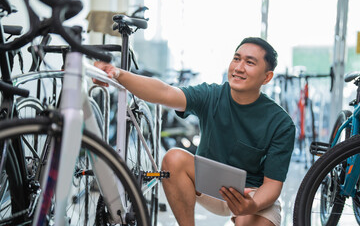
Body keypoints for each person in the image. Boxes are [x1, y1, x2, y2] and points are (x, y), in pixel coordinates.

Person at [93, 37, 295, 226]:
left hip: (250, 194)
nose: (239, 68)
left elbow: (272, 185)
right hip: (209, 185)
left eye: (250, 63)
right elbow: (165, 92)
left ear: (267, 77)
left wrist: (252, 205)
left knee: (250, 220)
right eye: (236, 59)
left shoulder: (281, 123)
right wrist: (118, 74)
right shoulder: (212, 95)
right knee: (174, 158)